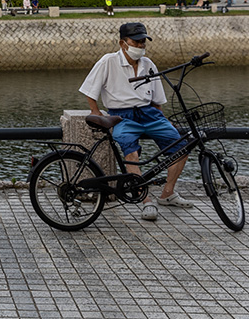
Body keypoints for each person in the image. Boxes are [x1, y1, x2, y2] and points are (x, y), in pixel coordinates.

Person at [79, 22, 193, 222]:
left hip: (149, 113)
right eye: (136, 41)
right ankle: (145, 199)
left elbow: (158, 101)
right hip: (121, 115)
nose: (140, 45)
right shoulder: (108, 61)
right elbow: (90, 90)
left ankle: (168, 193)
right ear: (123, 43)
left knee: (181, 146)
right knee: (130, 151)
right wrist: (96, 112)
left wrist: (163, 121)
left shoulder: (149, 64)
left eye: (143, 41)